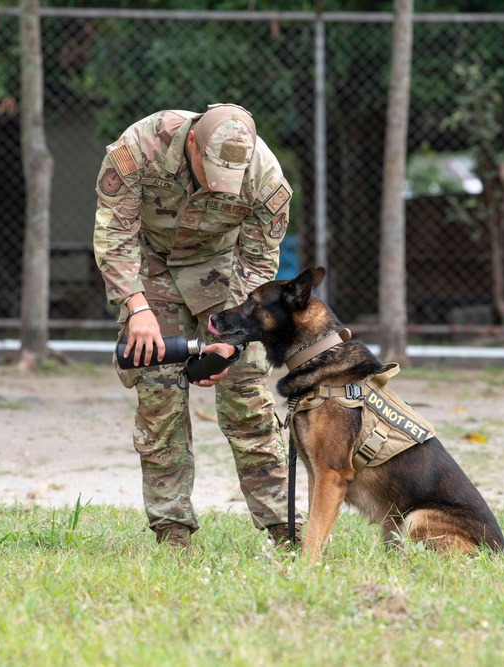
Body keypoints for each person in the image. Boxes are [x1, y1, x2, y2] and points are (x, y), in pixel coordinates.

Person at [93, 103, 303, 548]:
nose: (216, 185)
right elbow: (114, 235)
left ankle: (286, 533)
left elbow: (258, 264)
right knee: (159, 396)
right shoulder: (139, 147)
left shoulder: (266, 180)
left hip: (225, 274)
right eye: (208, 171)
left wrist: (233, 341)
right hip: (151, 266)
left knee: (247, 397)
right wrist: (137, 307)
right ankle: (172, 534)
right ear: (192, 142)